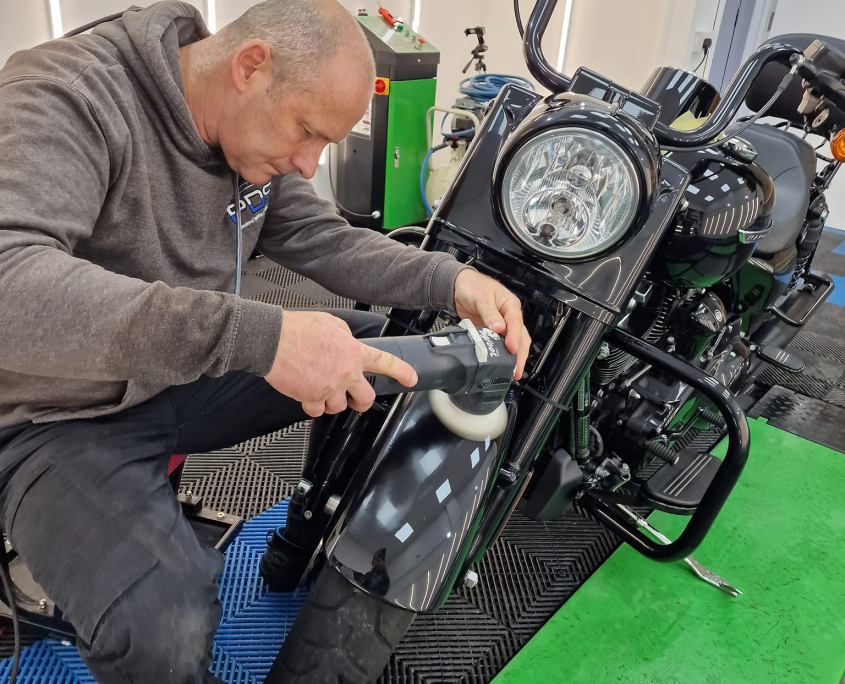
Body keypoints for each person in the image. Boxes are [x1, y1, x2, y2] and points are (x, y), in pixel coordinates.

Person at [0, 1, 530, 682]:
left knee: (399, 365)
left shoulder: (251, 141)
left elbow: (320, 237)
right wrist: (262, 336)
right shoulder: (67, 96)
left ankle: (308, 533)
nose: (308, 166)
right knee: (166, 623)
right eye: (307, 132)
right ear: (250, 67)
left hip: (178, 373)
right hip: (53, 417)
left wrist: (449, 281)